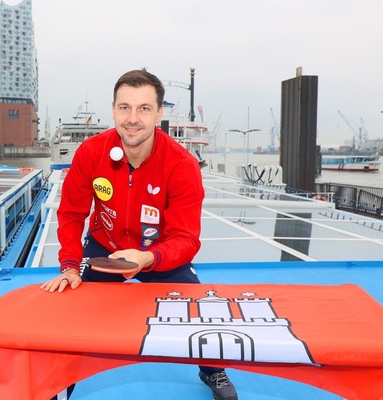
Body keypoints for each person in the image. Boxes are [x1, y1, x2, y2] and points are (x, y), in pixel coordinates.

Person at [40, 69, 238, 400]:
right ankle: (62, 381)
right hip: (106, 248)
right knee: (74, 310)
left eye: (144, 108)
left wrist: (148, 257)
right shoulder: (91, 153)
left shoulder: (181, 164)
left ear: (159, 113)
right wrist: (70, 265)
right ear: (114, 109)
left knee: (197, 307)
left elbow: (186, 238)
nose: (133, 119)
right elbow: (72, 213)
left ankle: (212, 369)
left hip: (159, 253)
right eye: (124, 108)